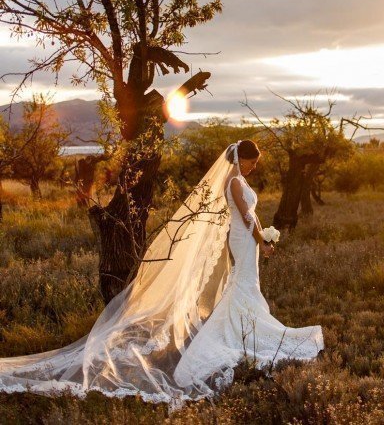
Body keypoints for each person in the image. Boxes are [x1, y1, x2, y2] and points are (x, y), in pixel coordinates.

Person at [0, 140, 323, 409]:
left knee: (245, 283)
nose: (255, 166)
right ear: (243, 158)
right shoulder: (235, 182)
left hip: (244, 238)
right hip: (243, 238)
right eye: (253, 161)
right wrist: (262, 241)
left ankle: (244, 325)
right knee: (244, 284)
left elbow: (250, 215)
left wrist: (261, 238)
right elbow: (246, 217)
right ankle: (238, 330)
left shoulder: (240, 180)